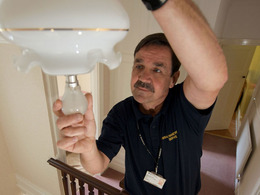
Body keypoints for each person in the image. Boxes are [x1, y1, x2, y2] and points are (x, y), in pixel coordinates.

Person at [53, 0, 228, 194]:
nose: (143, 77)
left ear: (173, 79)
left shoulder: (185, 105)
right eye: (139, 65)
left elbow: (213, 77)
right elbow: (97, 165)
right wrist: (88, 147)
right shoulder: (121, 112)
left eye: (157, 69)